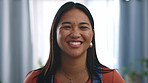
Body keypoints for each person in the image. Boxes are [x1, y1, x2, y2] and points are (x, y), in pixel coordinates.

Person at [24, 1, 124, 83]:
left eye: (83, 27)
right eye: (67, 27)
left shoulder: (111, 79)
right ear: (55, 34)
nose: (75, 34)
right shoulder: (35, 80)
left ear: (92, 35)